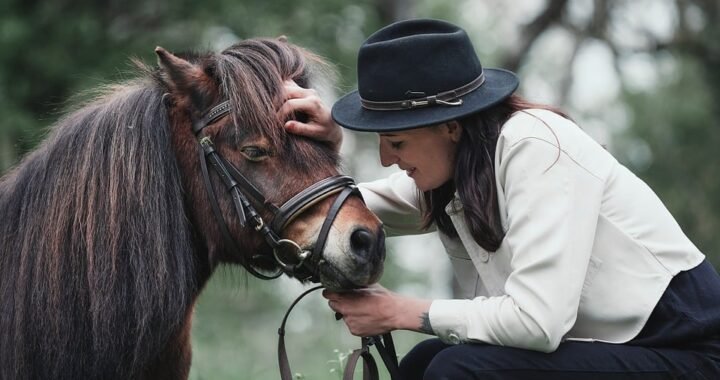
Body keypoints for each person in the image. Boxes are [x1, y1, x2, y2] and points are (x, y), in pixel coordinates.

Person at [280, 18, 720, 379]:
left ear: (449, 126)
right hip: (615, 350)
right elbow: (346, 211)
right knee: (421, 365)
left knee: (457, 370)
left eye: (395, 141)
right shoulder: (456, 171)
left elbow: (537, 323)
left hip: (685, 352)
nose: (384, 158)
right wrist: (325, 149)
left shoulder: (535, 146)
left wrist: (397, 311)